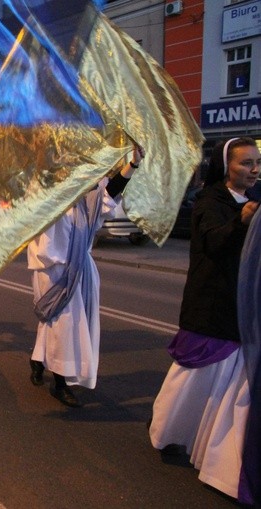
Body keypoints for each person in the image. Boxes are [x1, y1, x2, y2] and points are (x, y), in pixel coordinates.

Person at [149, 137, 260, 503]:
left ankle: (218, 456)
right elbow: (214, 244)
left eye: (257, 162)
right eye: (246, 163)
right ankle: (166, 431)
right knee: (192, 383)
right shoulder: (210, 202)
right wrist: (242, 222)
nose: (254, 169)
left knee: (233, 390)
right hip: (210, 309)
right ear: (225, 165)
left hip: (243, 309)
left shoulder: (257, 202)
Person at [28, 146, 143, 407]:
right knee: (63, 324)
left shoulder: (86, 196)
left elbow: (107, 195)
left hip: (80, 266)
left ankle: (38, 360)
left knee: (60, 324)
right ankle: (59, 383)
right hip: (52, 269)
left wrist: (132, 165)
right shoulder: (45, 191)